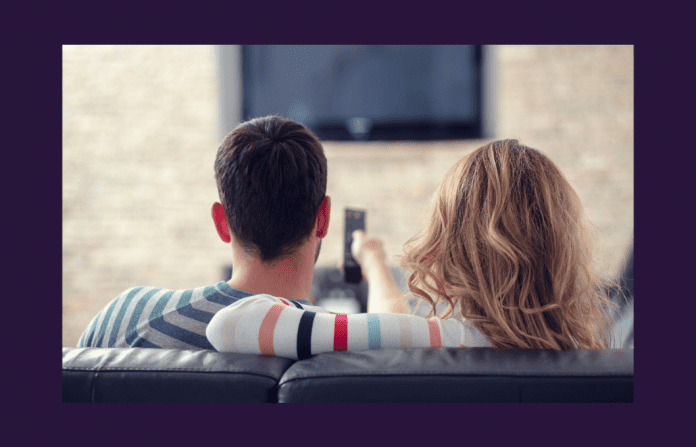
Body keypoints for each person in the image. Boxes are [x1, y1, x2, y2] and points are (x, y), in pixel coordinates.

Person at [206, 139, 617, 359]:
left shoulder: (440, 339)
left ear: (448, 244)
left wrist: (373, 262)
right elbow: (395, 328)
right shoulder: (599, 362)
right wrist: (374, 262)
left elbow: (230, 324)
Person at [77, 115, 332, 350]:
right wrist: (373, 265)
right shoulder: (347, 349)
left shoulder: (124, 318)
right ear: (323, 219)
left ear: (221, 223)